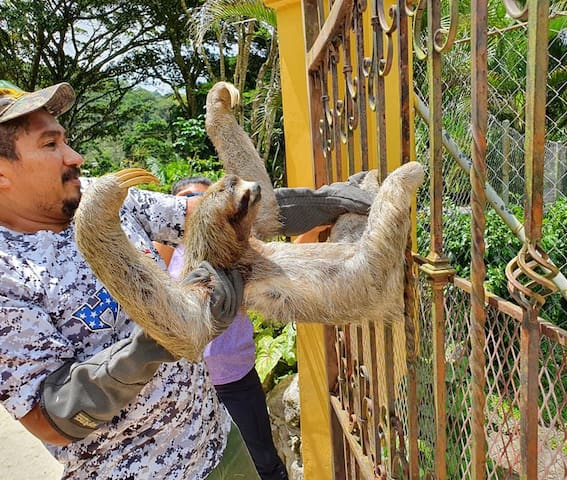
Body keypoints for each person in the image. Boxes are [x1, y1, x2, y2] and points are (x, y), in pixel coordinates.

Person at [0, 80, 373, 479]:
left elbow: (219, 217)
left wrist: (334, 199)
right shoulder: (8, 275)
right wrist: (161, 339)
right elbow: (47, 416)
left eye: (65, 141)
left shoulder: (98, 196)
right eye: (50, 145)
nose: (75, 156)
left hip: (219, 441)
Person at [155, 176, 289, 480]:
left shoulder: (236, 247)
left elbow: (282, 274)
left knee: (263, 462)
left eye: (204, 197)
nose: (196, 204)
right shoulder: (166, 251)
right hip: (183, 386)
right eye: (187, 199)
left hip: (234, 379)